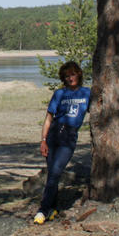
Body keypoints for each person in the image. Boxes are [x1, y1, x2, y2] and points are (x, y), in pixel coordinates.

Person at [34, 60, 90, 224]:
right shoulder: (59, 94)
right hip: (53, 136)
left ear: (78, 74)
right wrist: (43, 140)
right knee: (52, 173)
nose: (70, 78)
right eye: (66, 76)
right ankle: (53, 209)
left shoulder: (87, 93)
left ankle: (42, 210)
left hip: (69, 137)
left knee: (56, 171)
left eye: (72, 74)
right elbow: (48, 119)